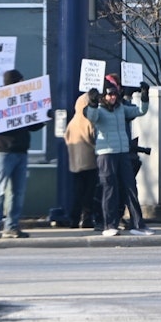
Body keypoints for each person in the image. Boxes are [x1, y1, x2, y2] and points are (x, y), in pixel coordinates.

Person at [88, 78, 154, 236]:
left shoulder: (121, 108)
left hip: (122, 152)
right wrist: (92, 102)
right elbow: (92, 116)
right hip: (106, 154)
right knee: (110, 189)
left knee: (130, 187)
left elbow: (140, 111)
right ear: (104, 95)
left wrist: (145, 96)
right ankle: (109, 225)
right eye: (109, 94)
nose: (113, 97)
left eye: (115, 94)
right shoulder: (99, 110)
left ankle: (138, 224)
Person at [0, 69, 43, 239]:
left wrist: (43, 118)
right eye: (21, 80)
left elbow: (31, 124)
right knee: (0, 191)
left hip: (20, 150)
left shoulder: (22, 101)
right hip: (2, 151)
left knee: (17, 192)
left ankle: (11, 226)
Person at [64, 91, 99, 230]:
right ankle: (87, 218)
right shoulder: (89, 121)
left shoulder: (72, 122)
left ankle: (74, 218)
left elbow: (66, 138)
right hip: (90, 161)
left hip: (75, 162)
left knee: (77, 192)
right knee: (89, 192)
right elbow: (95, 137)